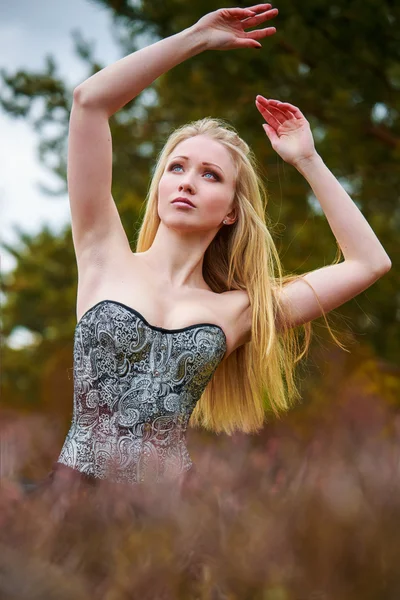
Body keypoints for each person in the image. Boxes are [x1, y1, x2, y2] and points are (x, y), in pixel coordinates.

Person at [30, 3, 392, 494]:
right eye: (177, 168)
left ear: (230, 212)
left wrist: (307, 159)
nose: (187, 183)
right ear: (159, 186)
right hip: (67, 501)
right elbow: (89, 101)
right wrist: (195, 39)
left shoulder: (240, 309)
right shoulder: (102, 251)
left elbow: (369, 262)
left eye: (210, 175)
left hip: (170, 521)